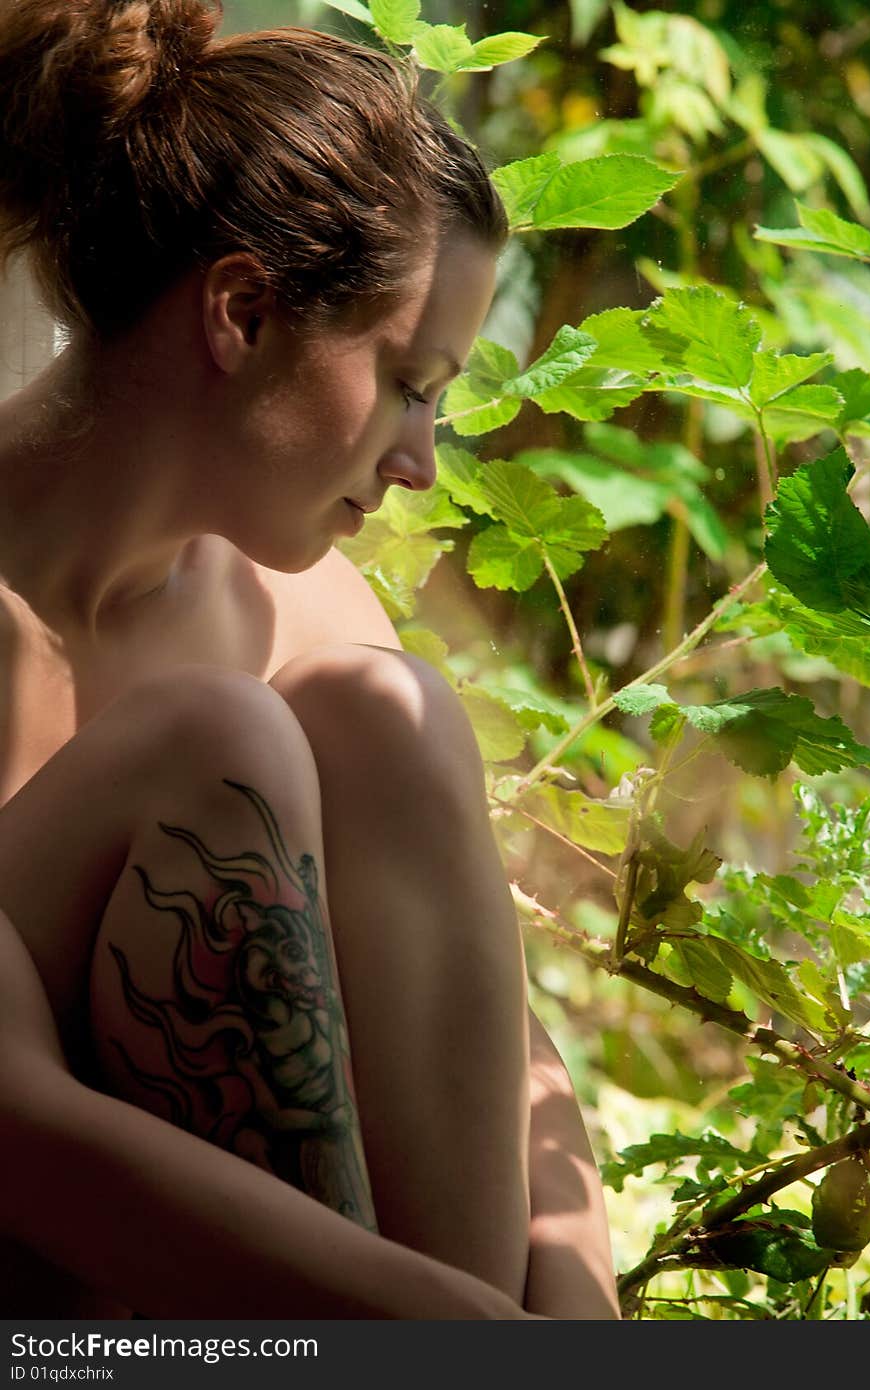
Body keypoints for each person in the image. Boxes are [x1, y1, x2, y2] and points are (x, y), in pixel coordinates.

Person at [0, 0, 620, 1319]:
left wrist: (572, 1329)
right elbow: (17, 1124)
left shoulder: (317, 622)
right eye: (409, 383)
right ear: (241, 311)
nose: (421, 464)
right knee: (219, 743)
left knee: (389, 710)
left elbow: (502, 1045)